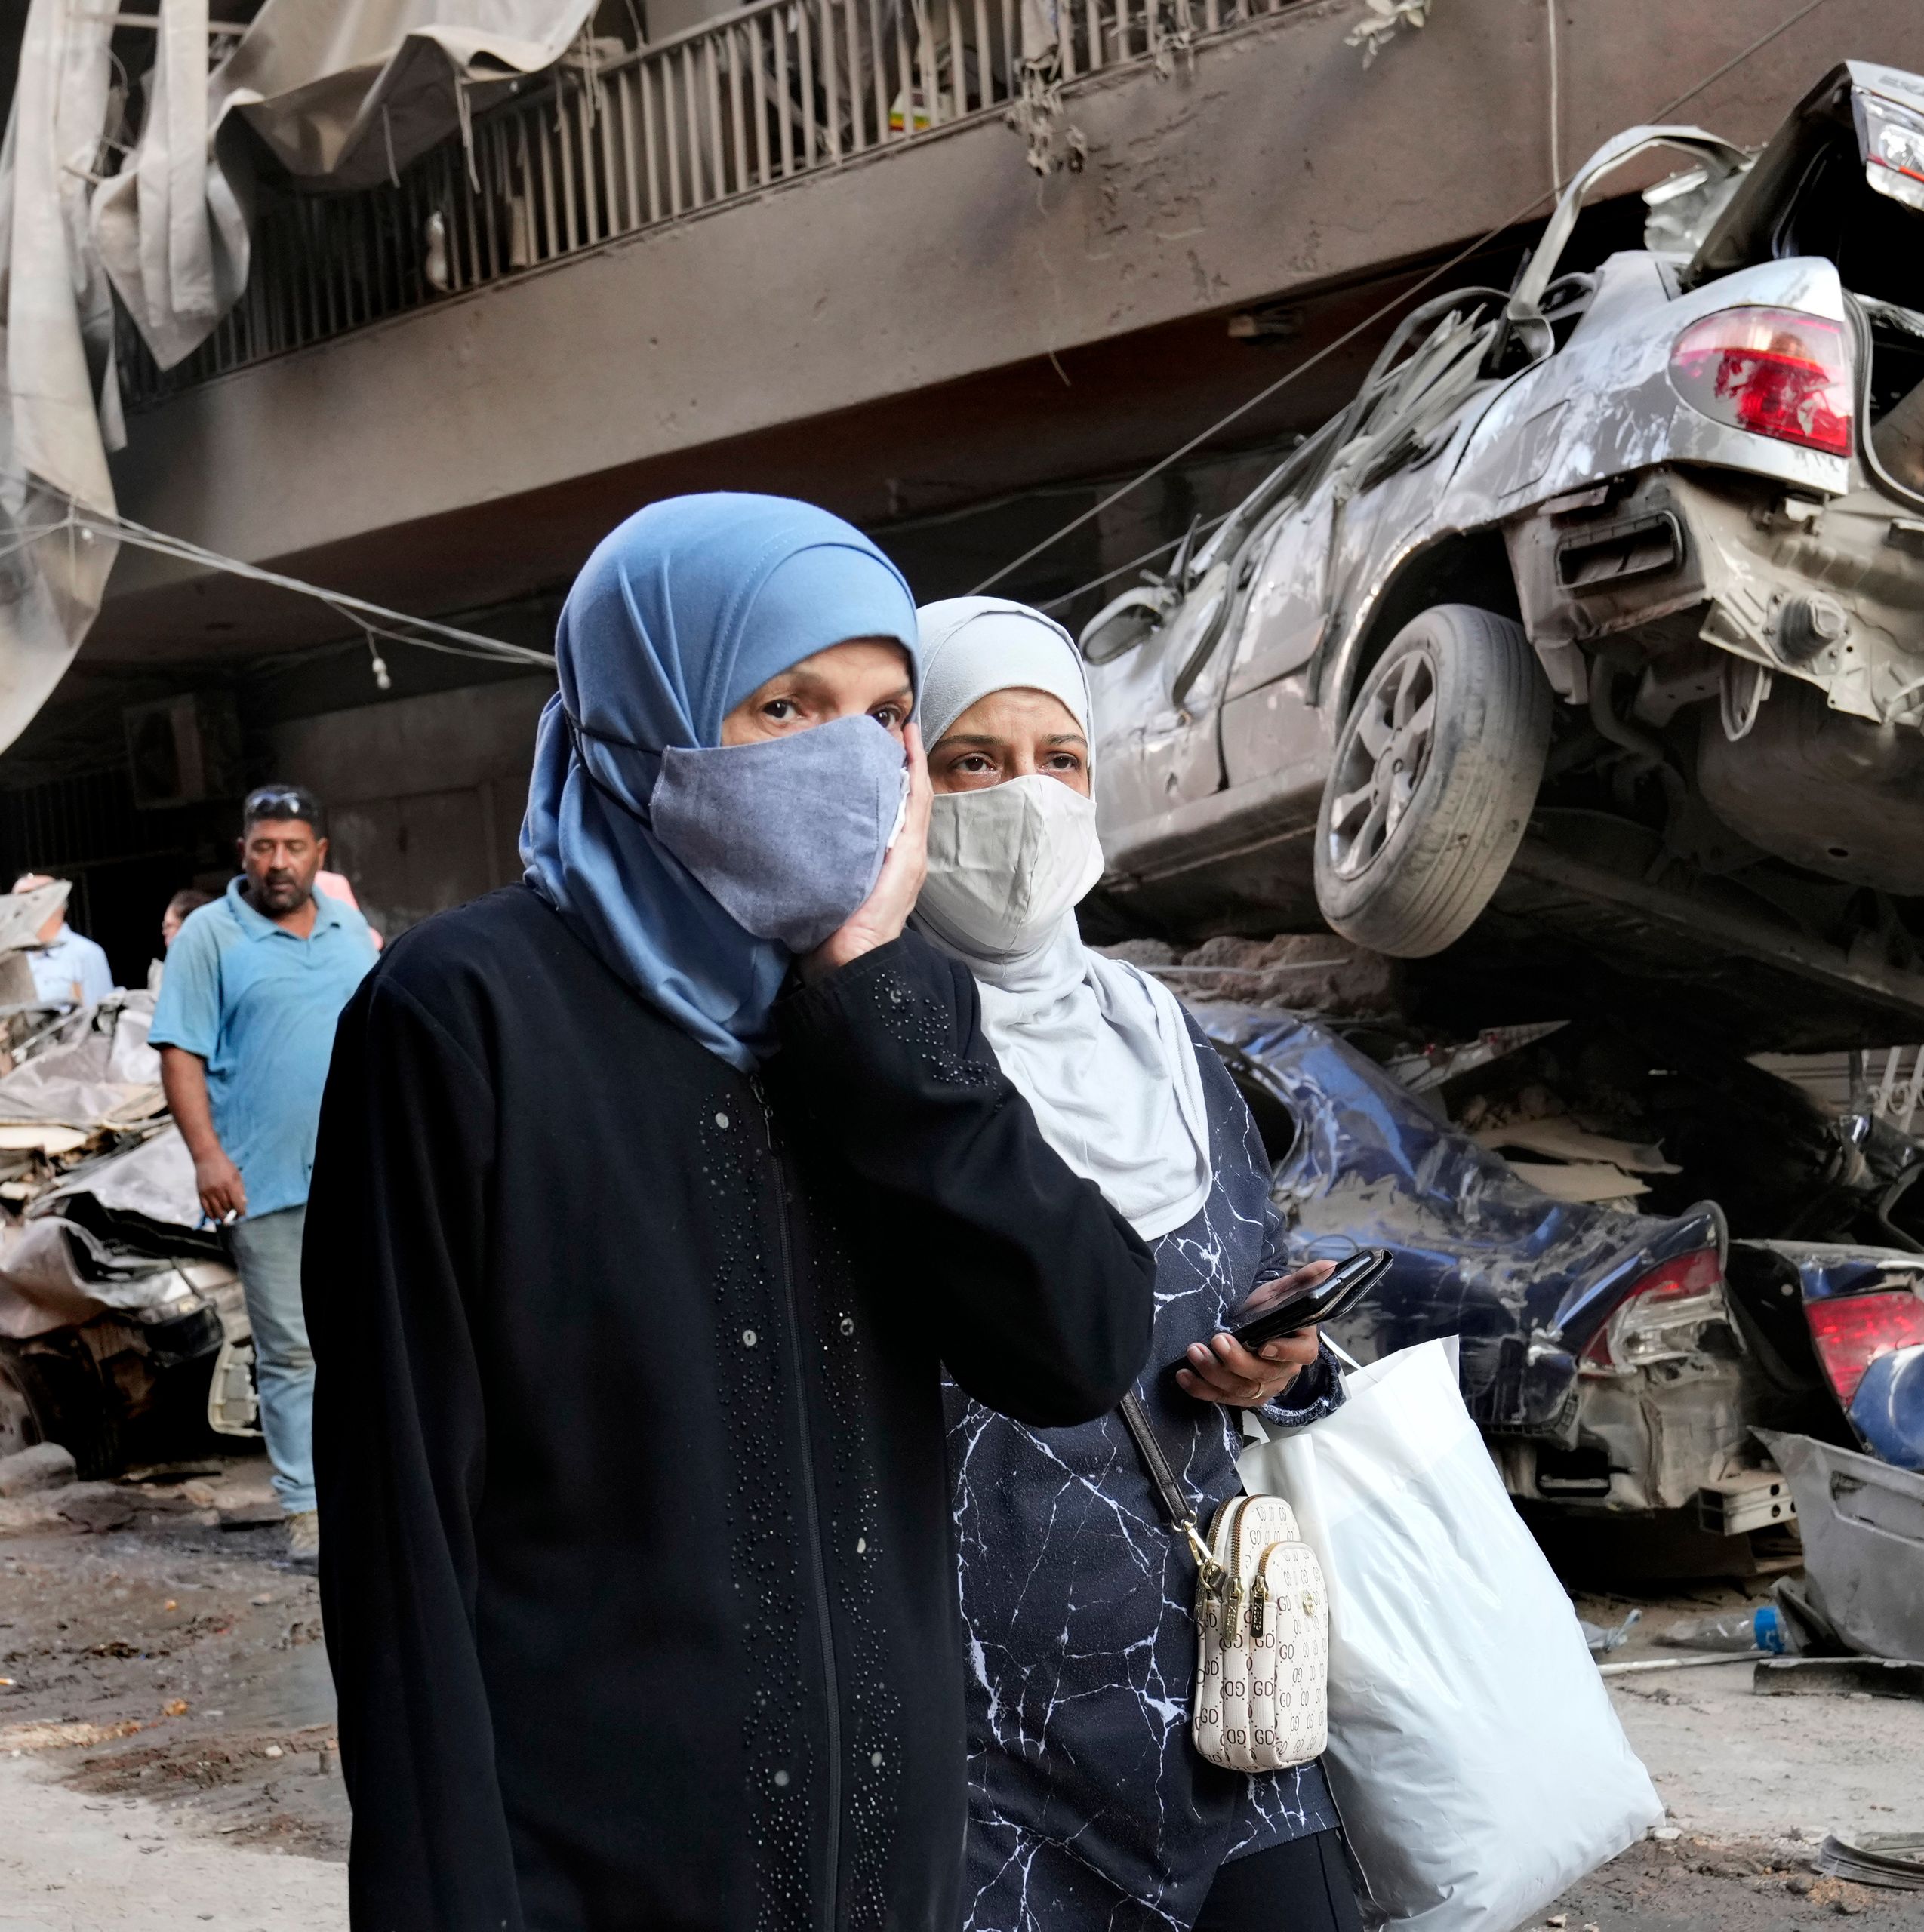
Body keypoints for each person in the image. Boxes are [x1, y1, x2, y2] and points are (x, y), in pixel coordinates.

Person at [301, 496, 1159, 1932]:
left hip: (893, 1873)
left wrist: (880, 1005)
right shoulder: (468, 1015)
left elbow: (1075, 1347)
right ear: (650, 711)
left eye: (886, 715)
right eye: (784, 706)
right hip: (595, 1878)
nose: (852, 755)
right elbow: (403, 1546)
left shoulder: (892, 1004)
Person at [909, 597, 1364, 1932]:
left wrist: (1282, 1360)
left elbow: (1257, 1297)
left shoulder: (1165, 1046)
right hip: (981, 1747)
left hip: (1228, 1689)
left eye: (1062, 760)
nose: (1026, 801)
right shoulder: (848, 1063)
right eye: (971, 762)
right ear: (901, 788)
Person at [150, 795, 380, 1561]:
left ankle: (377, 1493)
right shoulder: (210, 937)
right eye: (261, 847)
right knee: (292, 1352)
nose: (276, 862)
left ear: (320, 848)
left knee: (376, 1340)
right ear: (241, 851)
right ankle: (310, 1511)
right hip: (267, 1179)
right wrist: (208, 1156)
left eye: (291, 845)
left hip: (367, 1176)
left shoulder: (351, 928)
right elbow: (179, 1051)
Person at [13, 872, 114, 1012]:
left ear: (54, 902)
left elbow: (102, 1018)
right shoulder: (13, 958)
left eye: (28, 896)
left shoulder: (85, 953)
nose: (17, 906)